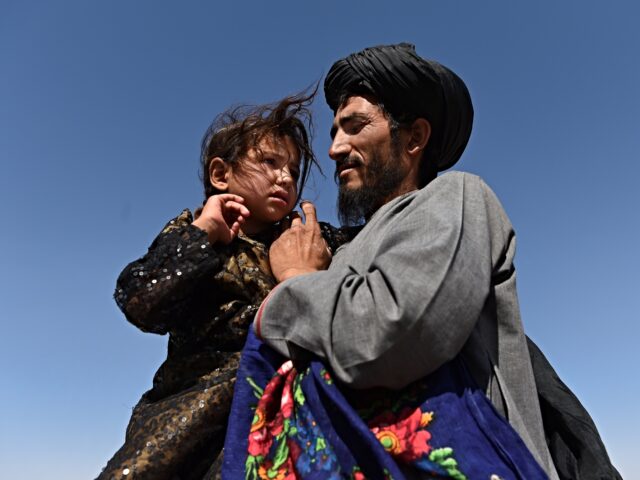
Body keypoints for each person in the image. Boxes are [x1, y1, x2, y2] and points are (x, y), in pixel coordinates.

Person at [238, 44, 618, 479]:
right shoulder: (341, 251)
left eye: (355, 126)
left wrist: (295, 280)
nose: (334, 148)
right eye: (333, 132)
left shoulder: (455, 197)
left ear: (415, 137)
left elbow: (393, 334)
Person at [98, 91, 351, 480]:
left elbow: (376, 243)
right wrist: (203, 235)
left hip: (279, 412)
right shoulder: (193, 235)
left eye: (293, 170)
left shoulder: (305, 237)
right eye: (269, 162)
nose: (285, 177)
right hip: (191, 411)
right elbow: (138, 301)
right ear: (221, 174)